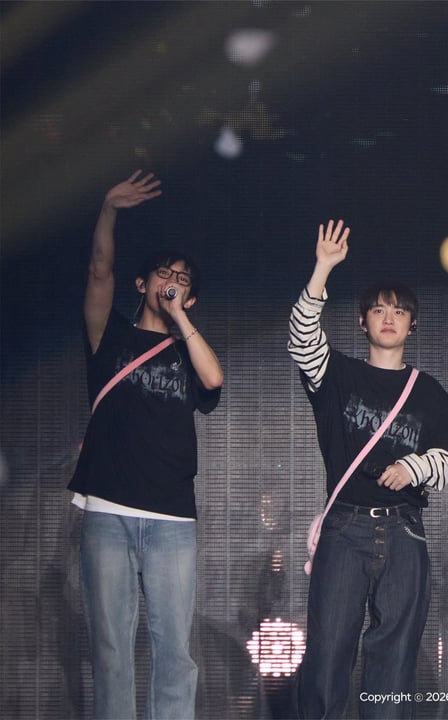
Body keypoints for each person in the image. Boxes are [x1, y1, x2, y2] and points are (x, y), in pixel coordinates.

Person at [288, 219, 448, 719]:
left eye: (400, 311)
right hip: (345, 527)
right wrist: (323, 268)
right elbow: (302, 342)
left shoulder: (429, 391)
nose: (390, 318)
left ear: (413, 325)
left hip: (405, 531)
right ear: (362, 321)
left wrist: (415, 467)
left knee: (395, 661)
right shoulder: (338, 374)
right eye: (379, 310)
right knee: (326, 657)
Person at [69, 171, 224, 719]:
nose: (171, 280)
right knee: (111, 650)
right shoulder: (108, 335)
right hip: (108, 510)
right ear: (142, 283)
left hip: (171, 516)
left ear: (191, 296)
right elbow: (99, 270)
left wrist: (180, 317)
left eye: (182, 279)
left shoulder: (187, 350)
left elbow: (213, 380)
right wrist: (109, 209)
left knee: (174, 652)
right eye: (163, 272)